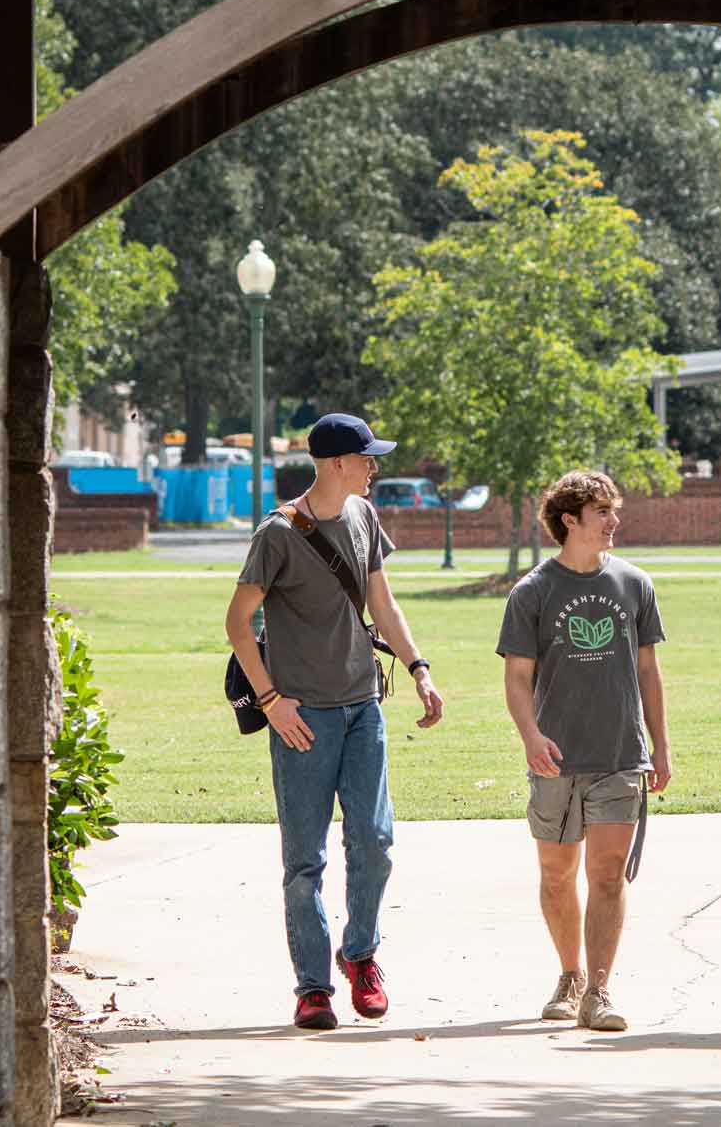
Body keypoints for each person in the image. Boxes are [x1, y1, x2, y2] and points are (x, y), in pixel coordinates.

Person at [223, 412, 445, 1031]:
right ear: (337, 463)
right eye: (368, 458)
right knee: (304, 859)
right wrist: (272, 701)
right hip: (302, 718)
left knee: (373, 842)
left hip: (362, 707)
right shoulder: (277, 533)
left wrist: (418, 667)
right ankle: (313, 987)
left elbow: (382, 600)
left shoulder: (364, 516)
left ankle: (361, 954)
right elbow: (238, 623)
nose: (375, 467)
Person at [497, 469, 671, 1031]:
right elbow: (518, 678)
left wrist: (660, 746)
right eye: (602, 512)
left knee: (606, 875)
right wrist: (530, 737)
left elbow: (649, 669)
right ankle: (569, 975)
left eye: (613, 510)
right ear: (569, 520)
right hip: (555, 757)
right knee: (556, 873)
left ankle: (599, 989)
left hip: (620, 753)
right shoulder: (533, 592)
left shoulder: (635, 584)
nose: (614, 521)